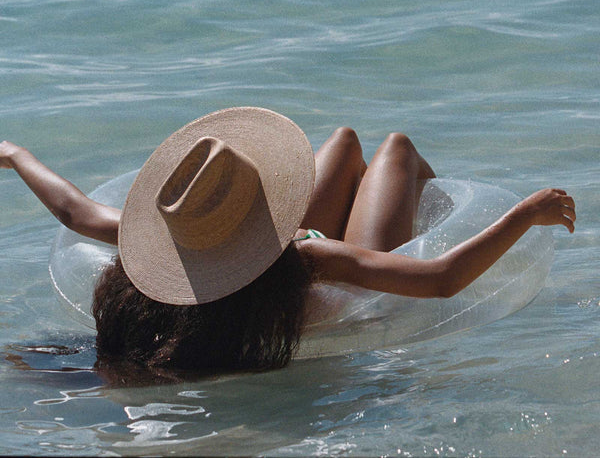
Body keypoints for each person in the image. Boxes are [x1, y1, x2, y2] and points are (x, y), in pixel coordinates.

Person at [1, 107, 576, 373]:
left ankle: (391, 190)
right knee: (395, 146)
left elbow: (72, 210)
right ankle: (418, 203)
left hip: (242, 272)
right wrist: (524, 216)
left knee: (346, 140)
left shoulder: (162, 246)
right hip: (349, 298)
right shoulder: (306, 256)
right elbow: (440, 279)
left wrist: (15, 154)